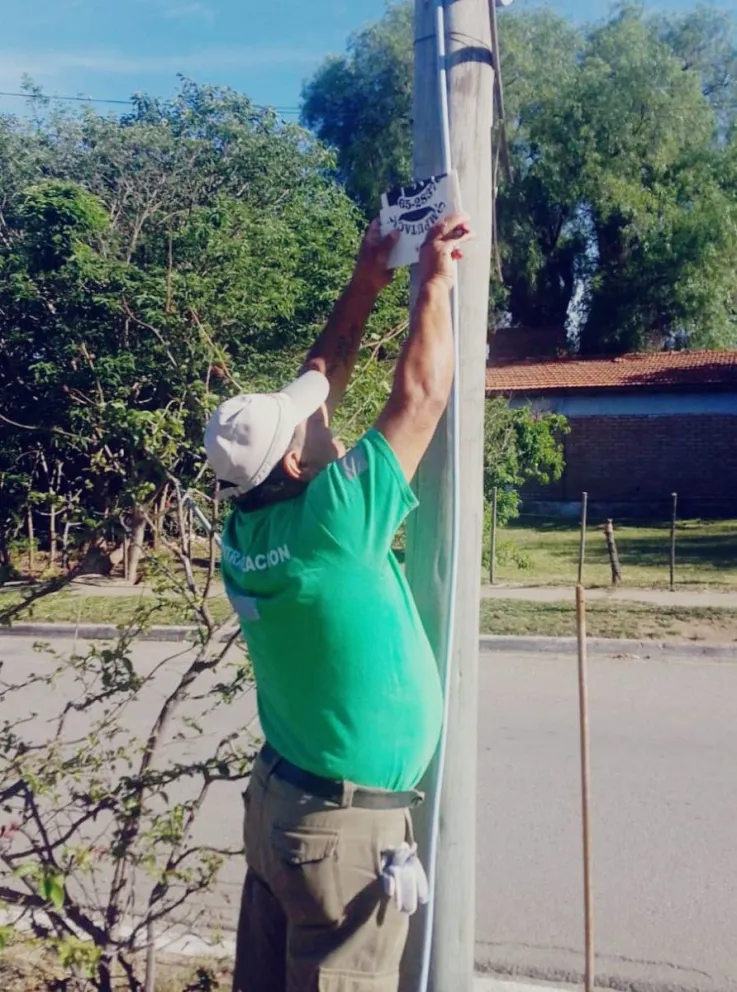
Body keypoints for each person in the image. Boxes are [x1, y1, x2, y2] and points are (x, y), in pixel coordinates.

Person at [205, 212, 472, 992]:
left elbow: (317, 384)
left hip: (286, 812)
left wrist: (365, 282)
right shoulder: (334, 522)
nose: (321, 413)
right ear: (292, 458)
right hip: (339, 837)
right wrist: (433, 279)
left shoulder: (243, 529)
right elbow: (420, 395)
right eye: (305, 423)